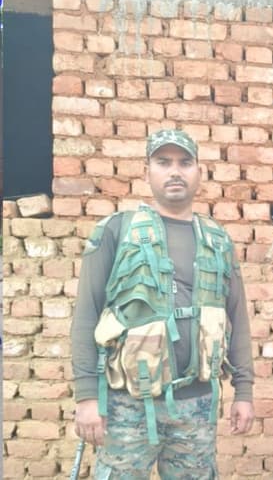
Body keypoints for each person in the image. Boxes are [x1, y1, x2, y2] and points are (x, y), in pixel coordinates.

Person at [71, 129, 254, 479]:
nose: (175, 171)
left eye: (185, 162)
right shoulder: (116, 231)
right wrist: (86, 397)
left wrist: (243, 392)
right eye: (163, 162)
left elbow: (237, 318)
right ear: (147, 172)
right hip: (127, 406)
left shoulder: (218, 241)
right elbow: (85, 317)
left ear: (199, 172)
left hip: (197, 404)